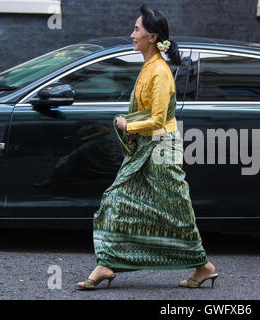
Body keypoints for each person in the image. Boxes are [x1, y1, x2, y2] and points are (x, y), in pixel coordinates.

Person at [76, 5, 217, 290]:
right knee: (116, 201)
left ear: (152, 37)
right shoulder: (148, 67)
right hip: (145, 150)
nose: (132, 35)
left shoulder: (160, 73)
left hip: (161, 150)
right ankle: (106, 264)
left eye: (137, 30)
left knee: (176, 211)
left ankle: (203, 265)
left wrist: (129, 126)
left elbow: (156, 119)